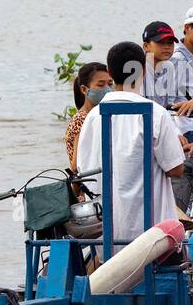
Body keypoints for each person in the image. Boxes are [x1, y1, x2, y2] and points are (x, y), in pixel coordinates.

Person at [77, 42, 185, 250]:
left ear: (110, 72)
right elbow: (176, 168)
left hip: (106, 240)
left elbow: (84, 172)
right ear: (143, 70)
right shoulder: (156, 113)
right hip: (153, 241)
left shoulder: (92, 117)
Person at [65, 62, 113, 172]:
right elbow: (76, 165)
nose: (108, 90)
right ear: (84, 89)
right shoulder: (82, 119)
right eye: (101, 85)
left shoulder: (98, 115)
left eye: (110, 84)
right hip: (87, 184)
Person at [141, 21, 178, 107]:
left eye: (170, 43)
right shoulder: (140, 67)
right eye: (161, 42)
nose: (167, 47)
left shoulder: (169, 66)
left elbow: (169, 103)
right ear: (146, 46)